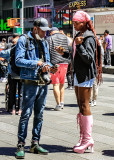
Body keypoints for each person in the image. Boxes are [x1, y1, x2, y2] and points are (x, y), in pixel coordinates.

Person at [55, 11, 102, 153]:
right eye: (73, 22)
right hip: (78, 74)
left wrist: (80, 45)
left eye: (77, 22)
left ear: (84, 22)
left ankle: (87, 139)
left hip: (86, 75)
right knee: (80, 106)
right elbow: (75, 56)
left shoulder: (88, 36)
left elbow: (88, 59)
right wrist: (63, 52)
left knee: (84, 105)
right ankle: (84, 138)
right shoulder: (78, 35)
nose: (74, 25)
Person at [15, 18, 57, 159]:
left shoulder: (44, 41)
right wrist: (37, 63)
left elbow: (47, 59)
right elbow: (18, 60)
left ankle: (35, 143)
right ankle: (21, 144)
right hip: (30, 82)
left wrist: (50, 66)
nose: (45, 34)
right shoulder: (23, 40)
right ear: (35, 28)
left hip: (43, 82)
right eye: (43, 31)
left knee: (39, 115)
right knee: (26, 114)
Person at [47, 27, 70, 111]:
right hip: (65, 62)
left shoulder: (49, 38)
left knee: (55, 84)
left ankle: (58, 104)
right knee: (62, 83)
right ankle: (62, 102)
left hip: (54, 63)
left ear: (51, 32)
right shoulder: (64, 37)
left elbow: (48, 51)